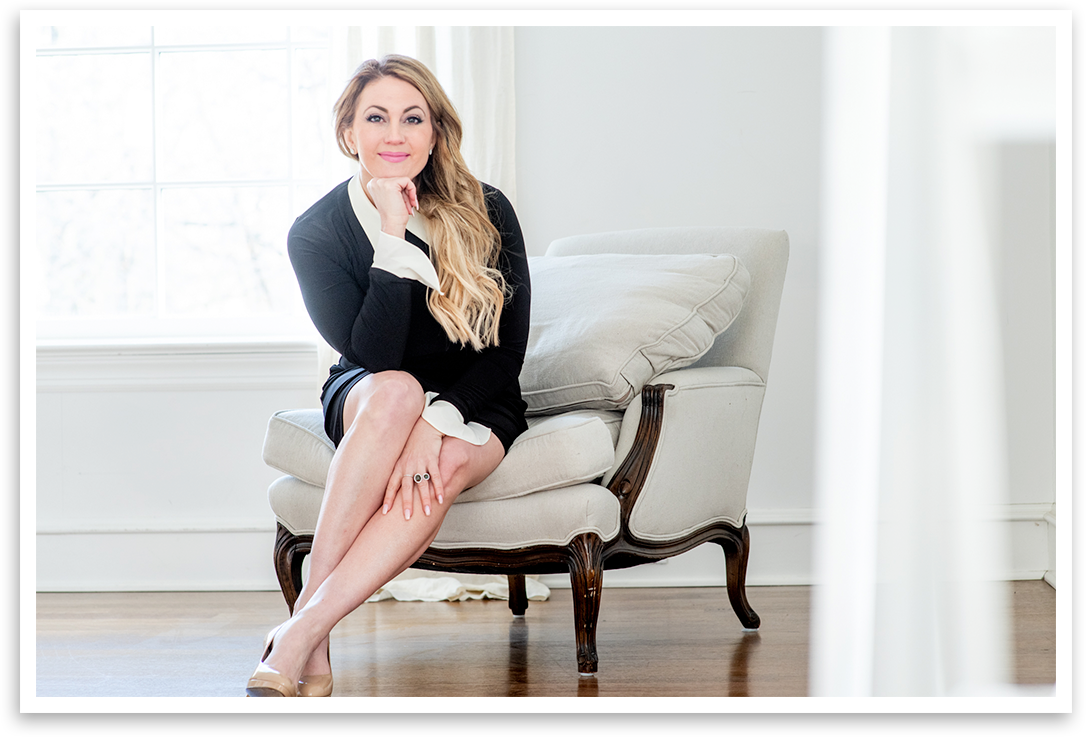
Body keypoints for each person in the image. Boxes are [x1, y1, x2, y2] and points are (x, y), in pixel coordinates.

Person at [246, 55, 531, 697]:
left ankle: (300, 633)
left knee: (445, 462)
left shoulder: (489, 209)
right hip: (369, 390)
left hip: (476, 397)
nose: (395, 135)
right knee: (398, 389)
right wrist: (392, 236)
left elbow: (507, 352)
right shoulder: (316, 232)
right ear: (349, 132)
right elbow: (374, 355)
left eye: (413, 119)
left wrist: (438, 423)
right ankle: (307, 636)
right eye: (376, 118)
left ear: (436, 133)